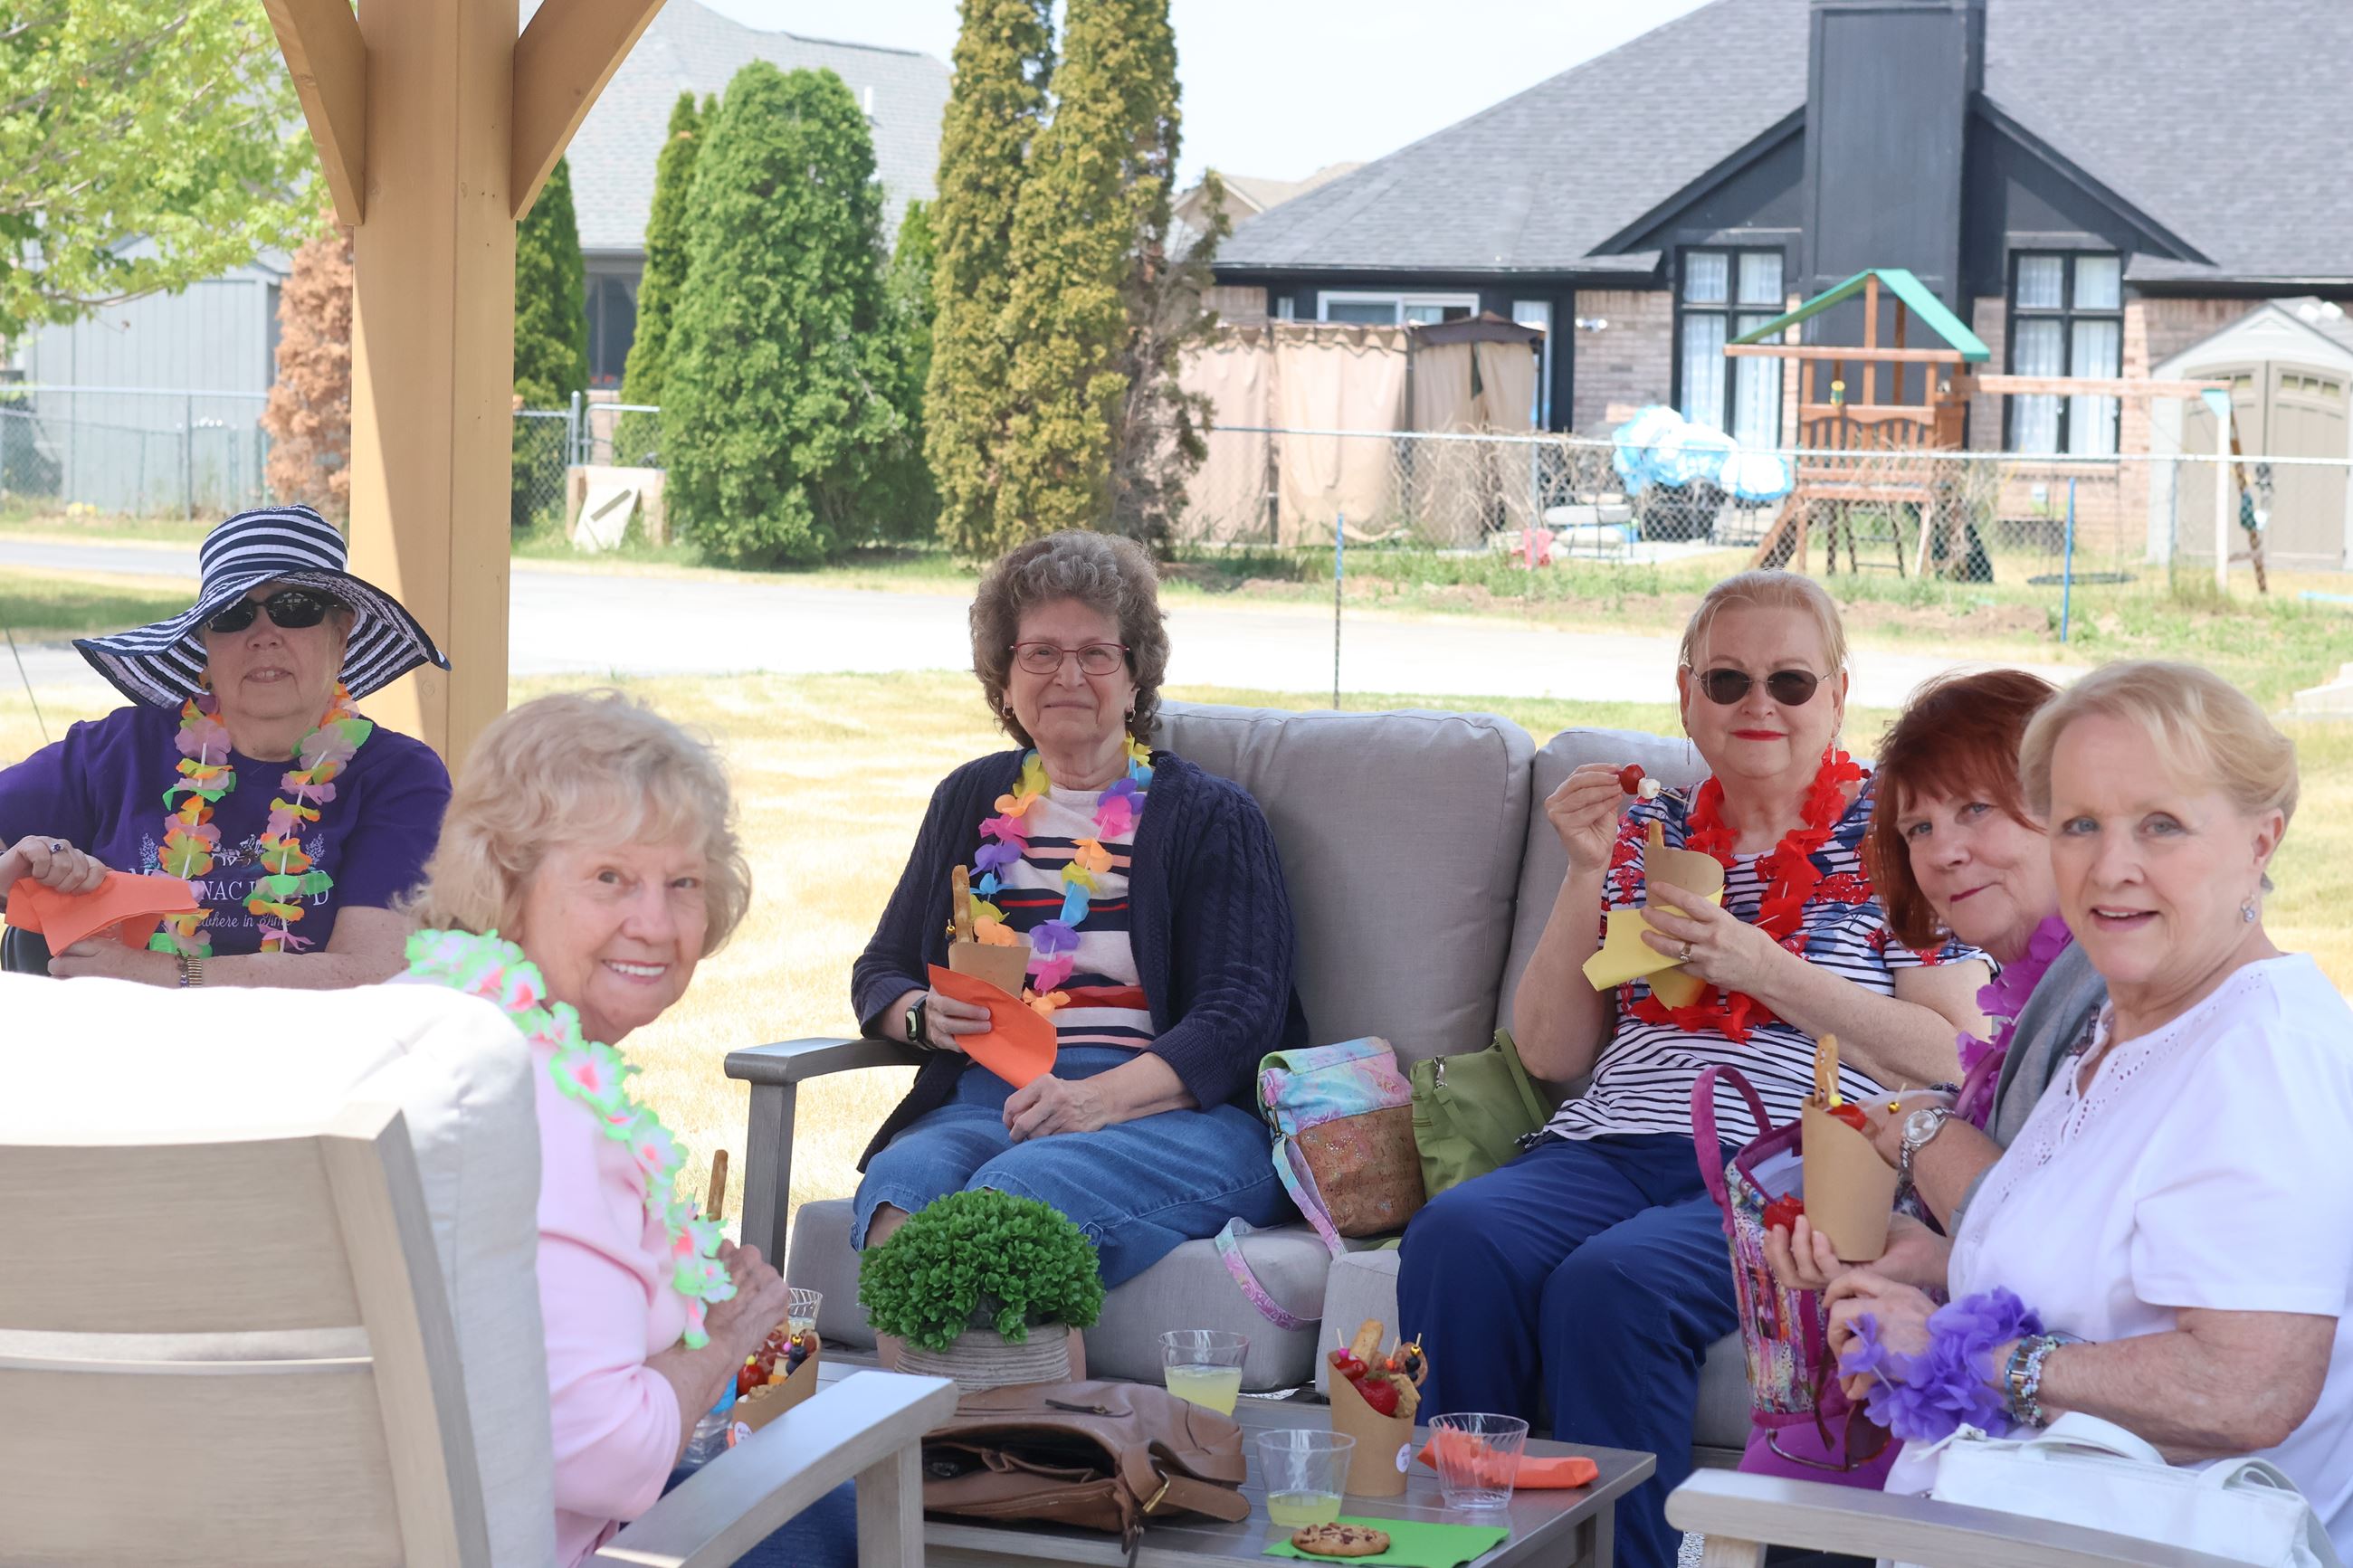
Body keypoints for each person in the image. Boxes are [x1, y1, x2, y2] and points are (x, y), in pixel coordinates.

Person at [1396, 570, 1991, 1568]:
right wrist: (1586, 874)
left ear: (1836, 693)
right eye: (1726, 679)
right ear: (1685, 695)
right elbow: (1548, 1054)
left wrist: (1760, 965)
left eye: (1789, 682)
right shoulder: (1643, 834)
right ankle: (1462, 1548)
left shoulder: (1897, 838)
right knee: (1457, 1232)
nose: (1757, 704)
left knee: (1611, 1284)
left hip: (1796, 1157)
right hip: (1613, 1141)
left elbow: (1953, 1053)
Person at [1824, 661, 2353, 1554]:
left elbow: (2245, 1390)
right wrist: (1938, 1268)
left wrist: (1959, 1353)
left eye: (2161, 824)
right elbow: (2111, 1277)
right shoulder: (2122, 1025)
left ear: (2260, 841)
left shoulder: (2259, 1049)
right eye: (2077, 824)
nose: (2111, 866)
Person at [401, 689, 853, 1568]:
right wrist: (724, 1333)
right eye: (610, 877)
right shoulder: (535, 1096)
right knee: (826, 1503)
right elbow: (603, 1455)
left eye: (682, 882)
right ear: (508, 880)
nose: (655, 921)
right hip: (509, 1539)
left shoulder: (427, 1013)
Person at [851, 530, 1304, 1288]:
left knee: (1014, 1202)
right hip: (986, 1101)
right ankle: (932, 1410)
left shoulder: (1211, 815)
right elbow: (882, 969)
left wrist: (1094, 1101)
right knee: (905, 1195)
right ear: (1004, 679)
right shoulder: (968, 798)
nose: (1069, 674)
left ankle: (1029, 1405)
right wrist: (922, 1014)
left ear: (1135, 680)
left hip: (1169, 1117)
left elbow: (1239, 1018)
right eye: (1040, 653)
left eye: (1097, 653)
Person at [0, 505, 451, 986]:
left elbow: (369, 970)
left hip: (318, 1055)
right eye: (233, 615)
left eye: (294, 608)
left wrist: (166, 974)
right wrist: (18, 865)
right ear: (205, 646)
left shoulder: (399, 776)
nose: (264, 637)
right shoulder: (117, 750)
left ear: (340, 635)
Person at [1767, 668, 2107, 1294]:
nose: (1942, 851)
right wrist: (1919, 1254)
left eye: (1974, 808)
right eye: (1918, 828)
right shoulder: (2048, 991)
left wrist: (1919, 1123)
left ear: (2072, 806)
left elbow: (2049, 1247)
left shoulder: (2119, 993)